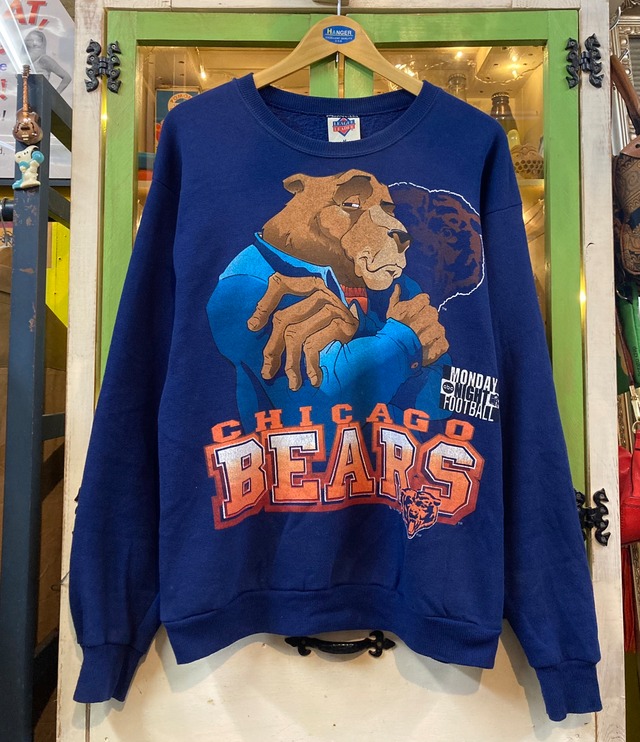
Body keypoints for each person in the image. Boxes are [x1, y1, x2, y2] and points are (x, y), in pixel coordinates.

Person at [24, 30, 71, 94]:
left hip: (41, 96)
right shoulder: (24, 61)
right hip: (26, 96)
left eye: (37, 41)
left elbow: (67, 77)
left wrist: (55, 95)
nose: (33, 43)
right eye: (29, 40)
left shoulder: (44, 59)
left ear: (41, 43)